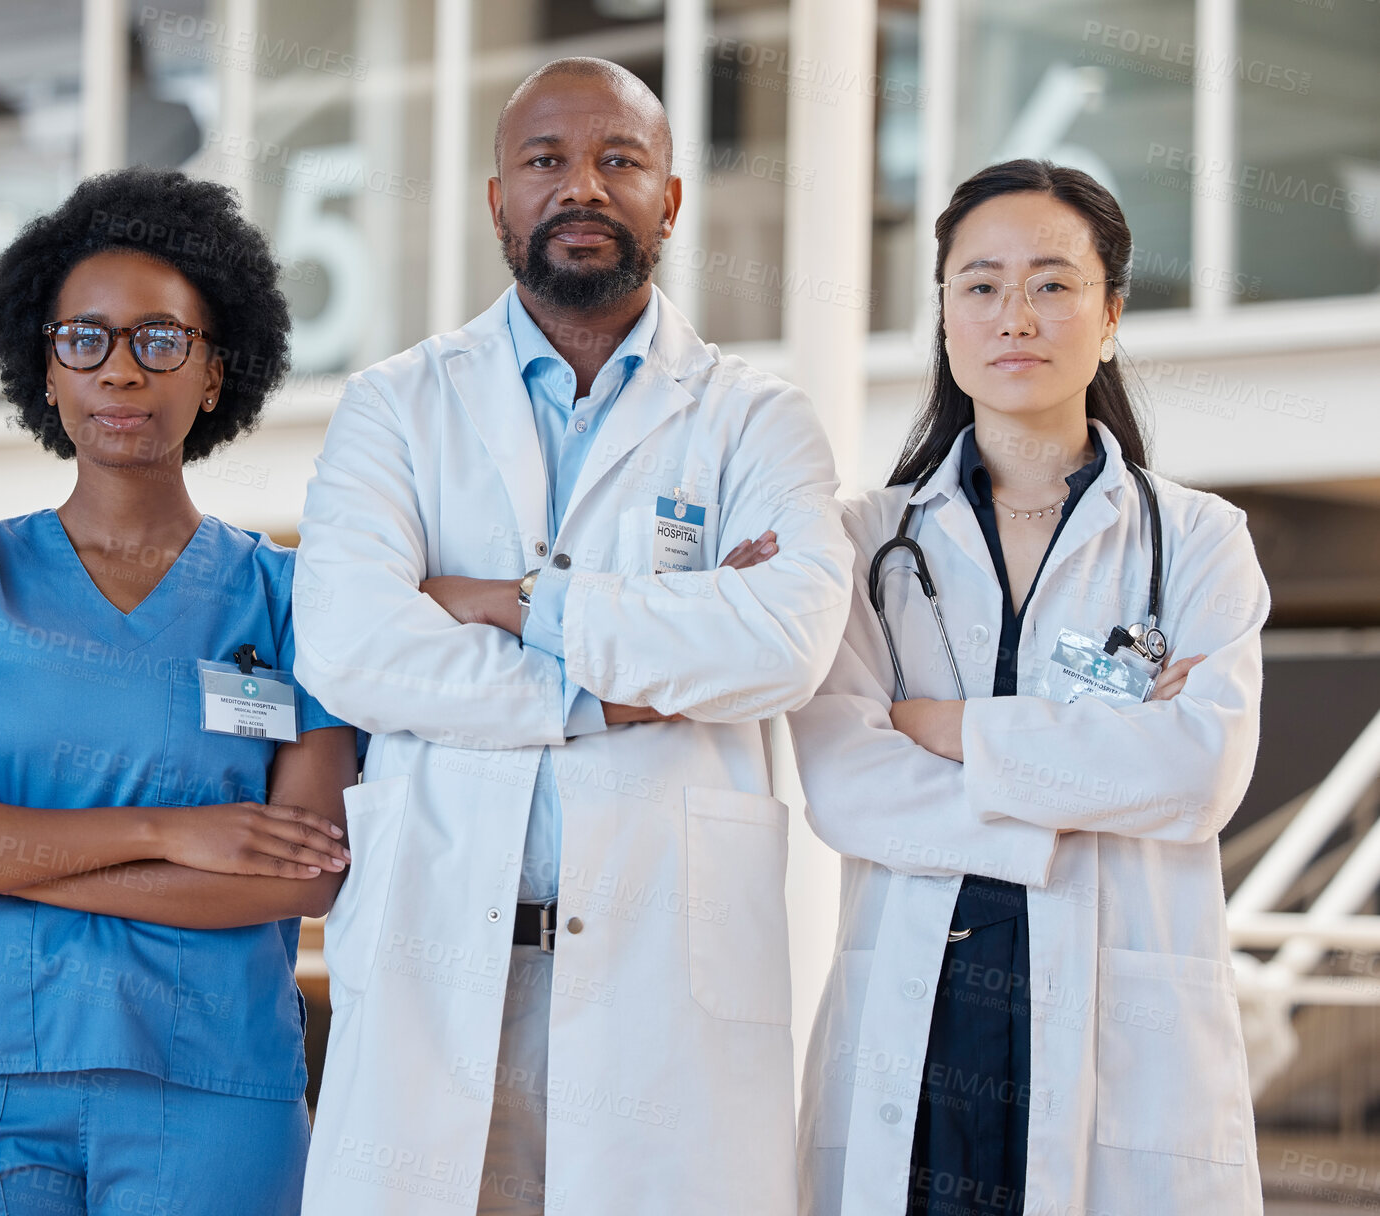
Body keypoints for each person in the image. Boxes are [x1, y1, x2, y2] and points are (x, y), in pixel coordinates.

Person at [292, 57, 853, 1216]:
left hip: (662, 987)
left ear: (670, 201)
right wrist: (612, 689)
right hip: (443, 964)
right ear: (497, 200)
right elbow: (350, 647)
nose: (580, 187)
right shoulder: (397, 405)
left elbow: (780, 642)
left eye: (618, 160)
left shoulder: (757, 420)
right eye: (545, 160)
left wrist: (506, 601)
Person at [0, 168, 357, 1216]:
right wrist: (174, 829)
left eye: (161, 340)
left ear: (213, 373)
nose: (122, 371)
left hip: (213, 1087)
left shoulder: (291, 596)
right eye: (88, 339)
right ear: (49, 369)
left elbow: (301, 874)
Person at [790, 158, 1269, 1215]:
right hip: (919, 1029)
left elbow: (1193, 774)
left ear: (1108, 317)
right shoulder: (865, 541)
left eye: (1052, 282)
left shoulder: (1194, 542)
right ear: (945, 318)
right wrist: (1081, 784)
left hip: (1119, 1031)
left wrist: (946, 727)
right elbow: (845, 783)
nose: (1015, 313)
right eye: (980, 284)